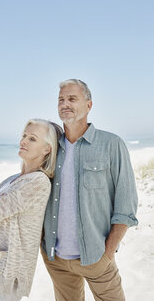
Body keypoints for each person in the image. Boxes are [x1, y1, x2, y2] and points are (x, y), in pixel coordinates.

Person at [41, 79, 138, 301]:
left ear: (89, 105)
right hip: (56, 260)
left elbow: (126, 203)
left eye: (72, 99)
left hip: (96, 257)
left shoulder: (111, 144)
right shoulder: (51, 147)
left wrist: (107, 253)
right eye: (61, 100)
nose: (65, 104)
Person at [0, 119, 63, 301]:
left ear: (47, 148)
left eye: (32, 139)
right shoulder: (12, 179)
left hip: (6, 272)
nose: (23, 141)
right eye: (24, 136)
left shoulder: (39, 182)